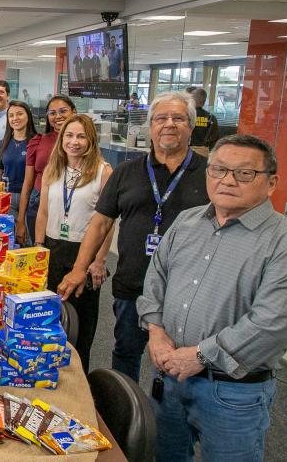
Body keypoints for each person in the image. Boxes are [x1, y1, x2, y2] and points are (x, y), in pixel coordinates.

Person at [137, 134, 287, 461]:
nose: (228, 180)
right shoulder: (187, 221)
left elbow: (271, 326)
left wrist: (199, 356)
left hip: (231, 392)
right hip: (168, 376)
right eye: (218, 169)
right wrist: (156, 331)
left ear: (271, 183)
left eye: (244, 173)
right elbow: (156, 277)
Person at [58, 91, 209, 382]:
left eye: (178, 118)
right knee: (126, 351)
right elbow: (100, 223)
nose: (169, 124)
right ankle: (124, 417)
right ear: (150, 126)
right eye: (161, 118)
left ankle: (167, 418)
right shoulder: (128, 172)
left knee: (181, 363)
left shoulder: (209, 174)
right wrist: (80, 269)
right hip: (134, 282)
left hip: (188, 291)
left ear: (191, 126)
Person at [34, 114, 114, 370]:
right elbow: (43, 212)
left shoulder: (103, 172)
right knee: (50, 318)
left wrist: (99, 261)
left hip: (84, 253)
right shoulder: (53, 169)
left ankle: (79, 379)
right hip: (53, 247)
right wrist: (38, 249)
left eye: (81, 136)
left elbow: (107, 223)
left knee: (81, 324)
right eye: (69, 135)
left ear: (91, 140)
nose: (74, 142)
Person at [15, 95, 77, 246]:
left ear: (73, 112)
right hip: (38, 202)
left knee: (65, 254)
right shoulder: (38, 141)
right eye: (52, 113)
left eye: (63, 111)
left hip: (71, 204)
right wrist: (21, 220)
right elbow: (28, 183)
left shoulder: (81, 142)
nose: (58, 116)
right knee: (39, 254)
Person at [0, 100, 38, 221]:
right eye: (11, 115)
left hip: (30, 198)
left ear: (28, 115)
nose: (15, 118)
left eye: (19, 114)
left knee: (26, 237)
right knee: (9, 235)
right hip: (7, 197)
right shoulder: (2, 144)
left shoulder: (37, 143)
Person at [188, 86, 220, 156]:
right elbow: (215, 139)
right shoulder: (211, 117)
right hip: (204, 152)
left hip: (185, 151)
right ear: (204, 102)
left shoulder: (184, 116)